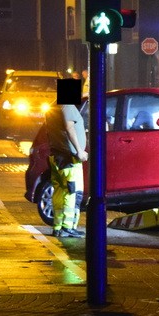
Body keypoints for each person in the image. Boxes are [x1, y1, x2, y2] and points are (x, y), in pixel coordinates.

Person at [45, 78, 88, 238]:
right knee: (71, 192)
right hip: (69, 159)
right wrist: (79, 151)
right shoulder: (67, 106)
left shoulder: (52, 107)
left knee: (58, 192)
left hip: (56, 156)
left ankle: (57, 226)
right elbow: (70, 128)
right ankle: (67, 227)